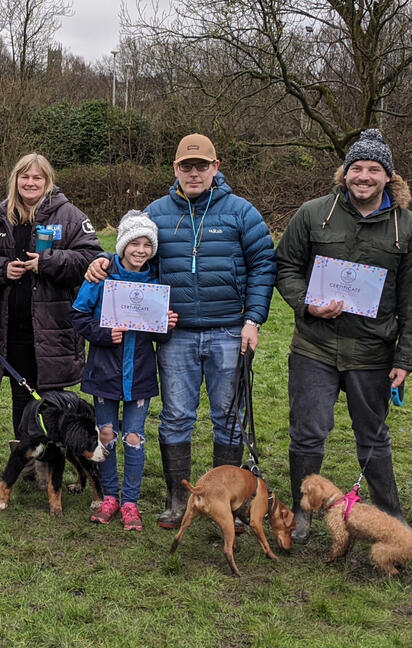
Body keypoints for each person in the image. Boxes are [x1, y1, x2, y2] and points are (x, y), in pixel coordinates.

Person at [85, 133, 277, 529]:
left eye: (201, 166)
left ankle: (230, 501)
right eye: (186, 167)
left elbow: (263, 265)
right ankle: (177, 499)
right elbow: (129, 248)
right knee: (176, 417)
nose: (194, 173)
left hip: (228, 331)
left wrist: (253, 319)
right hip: (175, 335)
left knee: (227, 417)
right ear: (175, 169)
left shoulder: (242, 213)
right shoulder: (156, 212)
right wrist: (103, 260)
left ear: (215, 168)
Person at [274, 128, 412, 543]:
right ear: (344, 173)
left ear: (389, 178)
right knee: (306, 434)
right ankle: (302, 512)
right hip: (314, 346)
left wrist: (406, 359)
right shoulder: (313, 214)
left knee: (374, 436)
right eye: (356, 168)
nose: (364, 176)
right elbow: (285, 266)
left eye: (374, 169)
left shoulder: (409, 229)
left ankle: (390, 514)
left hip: (373, 351)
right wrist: (306, 302)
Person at [72, 211, 177, 531]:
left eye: (148, 244)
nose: (141, 250)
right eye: (135, 243)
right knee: (107, 436)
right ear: (122, 245)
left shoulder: (157, 280)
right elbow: (78, 316)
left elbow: (159, 332)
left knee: (134, 438)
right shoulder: (101, 275)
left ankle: (130, 501)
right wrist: (104, 334)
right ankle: (109, 497)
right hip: (104, 372)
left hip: (140, 375)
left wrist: (167, 326)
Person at [0, 153, 102, 437]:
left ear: (48, 181)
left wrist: (47, 262)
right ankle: (26, 457)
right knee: (21, 395)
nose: (30, 182)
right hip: (13, 326)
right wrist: (2, 269)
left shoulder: (70, 215)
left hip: (55, 326)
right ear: (15, 180)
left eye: (37, 177)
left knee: (53, 398)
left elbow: (92, 258)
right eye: (24, 176)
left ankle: (53, 462)